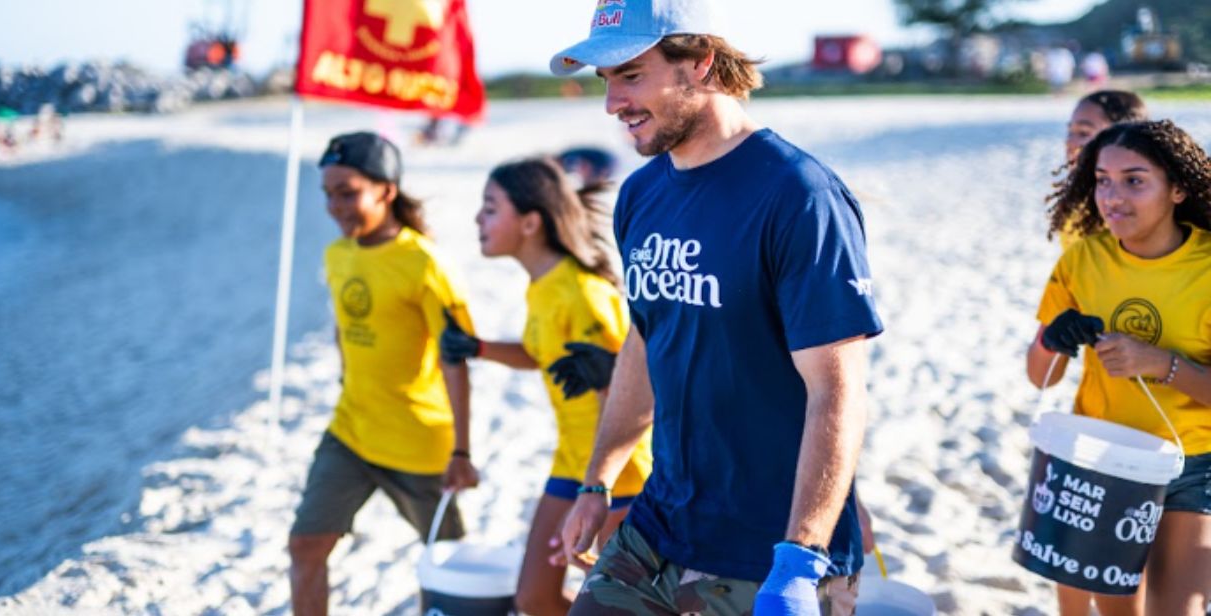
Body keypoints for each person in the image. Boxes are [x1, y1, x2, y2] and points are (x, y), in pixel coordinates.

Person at [547, 1, 884, 614]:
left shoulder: (798, 196)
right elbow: (649, 340)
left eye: (630, 75)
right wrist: (597, 480)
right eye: (607, 81)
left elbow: (837, 390)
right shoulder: (641, 194)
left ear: (700, 62)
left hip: (772, 550)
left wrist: (801, 558)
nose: (612, 103)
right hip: (658, 526)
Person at [440, 156, 653, 615]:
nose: (478, 218)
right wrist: (477, 347)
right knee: (534, 597)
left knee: (620, 607)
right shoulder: (542, 286)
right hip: (568, 464)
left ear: (531, 222)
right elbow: (546, 356)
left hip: (620, 475)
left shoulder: (583, 295)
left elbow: (637, 390)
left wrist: (607, 383)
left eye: (491, 208)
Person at [288, 132, 480, 616]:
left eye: (347, 192)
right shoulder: (338, 255)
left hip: (419, 445)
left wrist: (461, 450)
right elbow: (345, 328)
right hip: (351, 432)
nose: (335, 207)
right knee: (306, 545)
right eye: (328, 194)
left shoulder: (423, 263)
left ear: (386, 190)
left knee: (449, 567)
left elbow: (456, 361)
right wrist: (347, 381)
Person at [1027, 120, 1211, 616]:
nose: (1112, 196)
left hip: (1191, 464)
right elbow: (1038, 373)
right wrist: (1054, 338)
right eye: (1102, 180)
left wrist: (1161, 364)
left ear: (1177, 189)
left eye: (1134, 180)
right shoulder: (1083, 259)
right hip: (1100, 462)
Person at [1055, 90, 1148, 249]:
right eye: (1070, 131)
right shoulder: (1075, 201)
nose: (1069, 142)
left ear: (1122, 136)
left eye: (1083, 133)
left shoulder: (1140, 202)